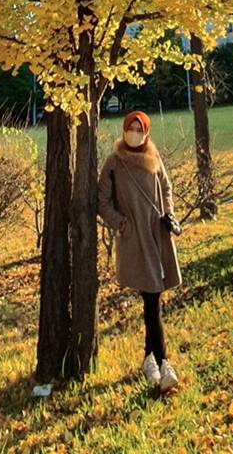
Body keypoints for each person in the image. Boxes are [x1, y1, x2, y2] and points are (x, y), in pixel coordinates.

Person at [97, 110, 182, 393]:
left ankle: (150, 359)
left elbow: (166, 187)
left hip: (157, 234)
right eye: (130, 128)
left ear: (146, 132)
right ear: (124, 130)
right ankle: (162, 361)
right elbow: (102, 200)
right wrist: (121, 223)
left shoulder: (153, 157)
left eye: (139, 129)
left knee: (153, 297)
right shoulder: (114, 162)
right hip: (136, 239)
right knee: (152, 296)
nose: (134, 133)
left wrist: (168, 214)